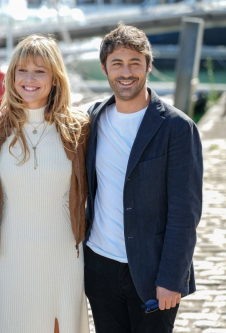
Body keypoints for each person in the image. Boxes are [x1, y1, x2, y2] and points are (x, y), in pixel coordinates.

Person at [84, 24, 203, 332]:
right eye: (117, 64)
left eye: (135, 63)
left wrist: (171, 279)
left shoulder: (177, 128)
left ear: (149, 66)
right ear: (104, 69)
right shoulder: (92, 119)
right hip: (100, 266)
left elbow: (185, 212)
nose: (126, 72)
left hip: (152, 274)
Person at [0, 34, 90, 333]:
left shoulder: (77, 130)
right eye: (22, 70)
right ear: (12, 76)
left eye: (40, 71)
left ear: (55, 79)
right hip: (10, 257)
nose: (29, 78)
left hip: (63, 255)